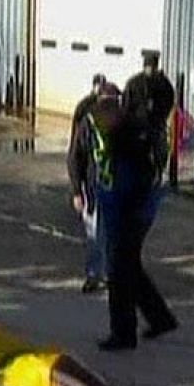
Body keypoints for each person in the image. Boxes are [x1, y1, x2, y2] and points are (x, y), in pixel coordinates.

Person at [99, 53, 178, 351]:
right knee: (130, 266)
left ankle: (124, 333)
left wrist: (125, 212)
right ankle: (159, 318)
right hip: (138, 206)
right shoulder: (140, 124)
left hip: (132, 209)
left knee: (120, 270)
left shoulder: (128, 135)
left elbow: (133, 178)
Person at [68, 83, 122, 294]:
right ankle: (99, 274)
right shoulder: (91, 122)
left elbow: (74, 158)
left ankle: (100, 274)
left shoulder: (94, 121)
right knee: (100, 234)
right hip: (101, 187)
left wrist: (76, 191)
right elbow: (75, 158)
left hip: (105, 187)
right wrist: (76, 191)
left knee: (100, 234)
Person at [69, 74, 107, 148]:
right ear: (94, 86)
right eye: (99, 85)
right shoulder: (85, 104)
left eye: (103, 86)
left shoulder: (103, 105)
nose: (101, 89)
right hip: (82, 145)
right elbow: (76, 126)